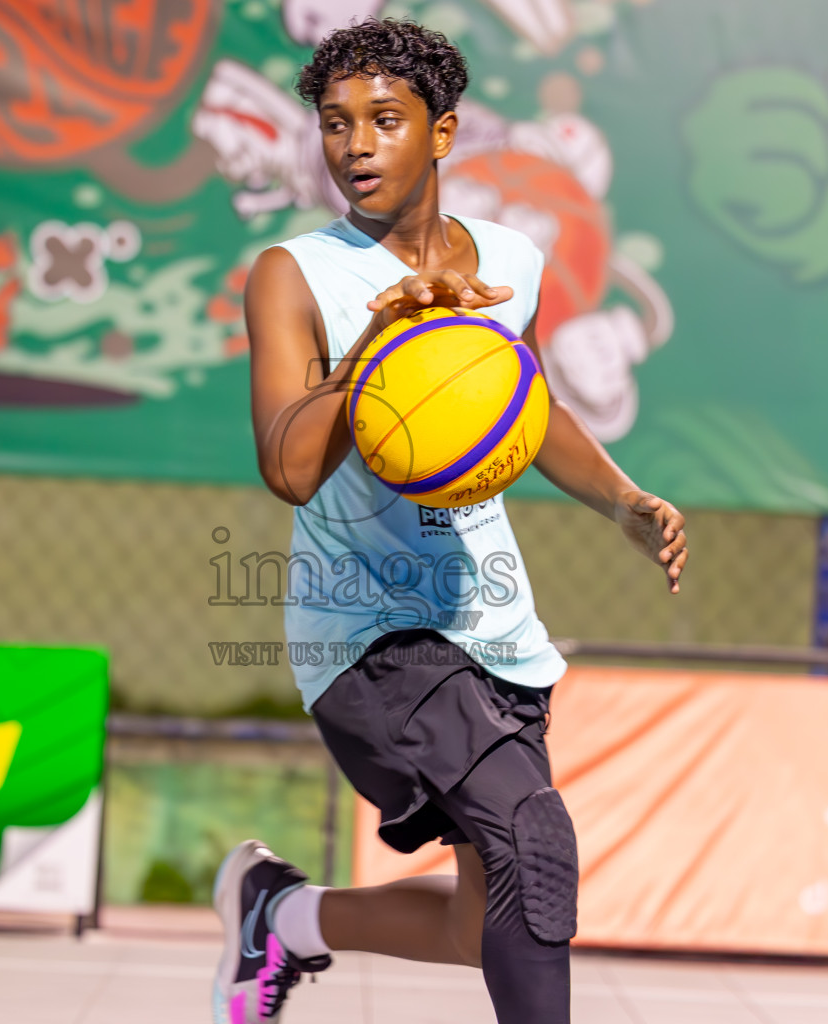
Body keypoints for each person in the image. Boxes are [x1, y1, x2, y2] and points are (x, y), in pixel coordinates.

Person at [212, 18, 689, 1024]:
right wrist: (380, 342)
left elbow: (529, 405)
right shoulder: (294, 276)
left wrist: (625, 502)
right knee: (537, 842)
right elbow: (289, 468)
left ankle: (283, 917)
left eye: (385, 119)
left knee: (494, 918)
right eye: (336, 123)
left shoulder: (508, 256)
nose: (355, 143)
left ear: (443, 132)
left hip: (491, 625)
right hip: (370, 632)